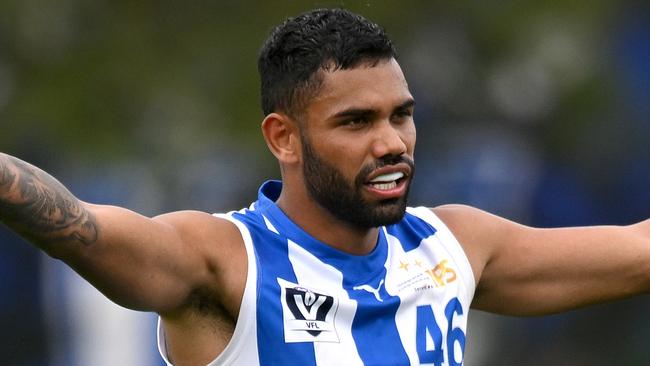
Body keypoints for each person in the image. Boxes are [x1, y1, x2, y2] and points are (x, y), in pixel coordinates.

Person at [0, 8, 648, 366]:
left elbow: (636, 252)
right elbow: (79, 228)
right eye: (356, 122)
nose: (392, 141)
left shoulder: (455, 247)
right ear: (283, 137)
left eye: (402, 114)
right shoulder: (225, 263)